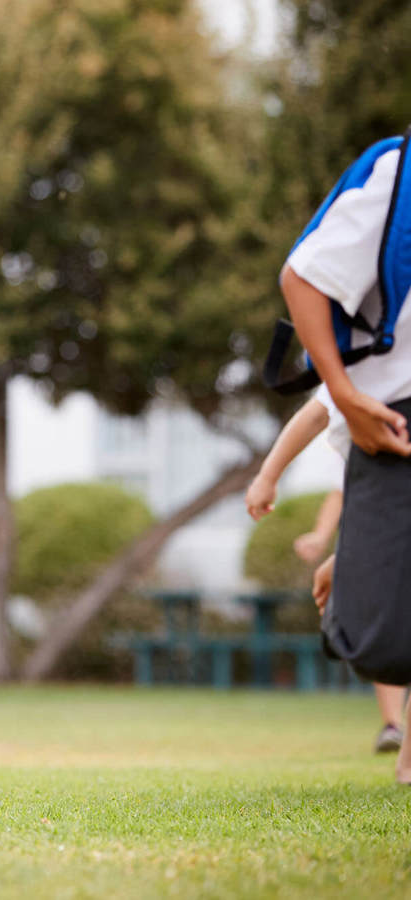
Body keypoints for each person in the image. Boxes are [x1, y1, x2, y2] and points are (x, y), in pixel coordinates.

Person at [279, 137, 411, 783]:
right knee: (377, 639)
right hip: (393, 416)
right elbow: (302, 276)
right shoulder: (398, 172)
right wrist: (344, 392)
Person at [245, 394, 406, 753]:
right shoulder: (359, 374)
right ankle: (394, 725)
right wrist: (268, 477)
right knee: (387, 628)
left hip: (387, 522)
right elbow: (316, 417)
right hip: (382, 516)